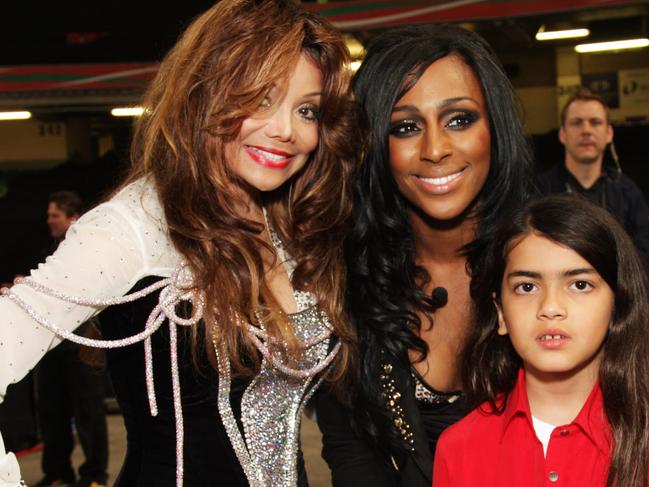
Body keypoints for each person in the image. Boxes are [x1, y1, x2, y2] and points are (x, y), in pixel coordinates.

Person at [0, 1, 358, 486]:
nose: (285, 131)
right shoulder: (134, 224)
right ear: (204, 93)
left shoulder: (290, 227)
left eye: (306, 110)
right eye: (261, 98)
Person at [316, 24, 534, 486]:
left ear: (495, 128)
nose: (435, 149)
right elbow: (352, 455)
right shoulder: (342, 282)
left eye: (459, 120)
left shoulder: (549, 264)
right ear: (377, 145)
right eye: (406, 127)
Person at [434, 195, 649, 486]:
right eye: (526, 287)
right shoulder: (458, 448)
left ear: (617, 305)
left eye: (579, 285)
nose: (550, 307)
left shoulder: (642, 437)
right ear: (500, 314)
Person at [35, 192, 109, 487]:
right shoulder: (49, 250)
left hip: (80, 342)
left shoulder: (86, 251)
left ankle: (94, 475)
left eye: (55, 215)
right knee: (52, 410)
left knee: (88, 410)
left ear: (73, 219)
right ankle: (57, 471)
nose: (49, 220)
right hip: (51, 342)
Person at [537, 88, 649, 262]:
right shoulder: (540, 191)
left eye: (595, 122)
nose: (586, 130)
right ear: (562, 134)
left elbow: (644, 250)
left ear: (609, 133)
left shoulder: (627, 191)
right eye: (577, 123)